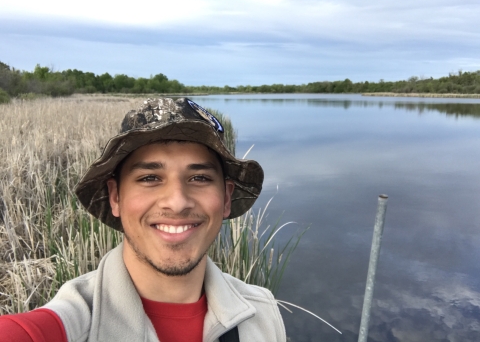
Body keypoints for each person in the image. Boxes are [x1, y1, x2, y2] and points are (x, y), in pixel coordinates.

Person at [0, 97, 286, 342]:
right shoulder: (74, 320)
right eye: (149, 178)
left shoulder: (261, 313)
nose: (177, 202)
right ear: (116, 197)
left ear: (225, 198)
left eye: (199, 178)